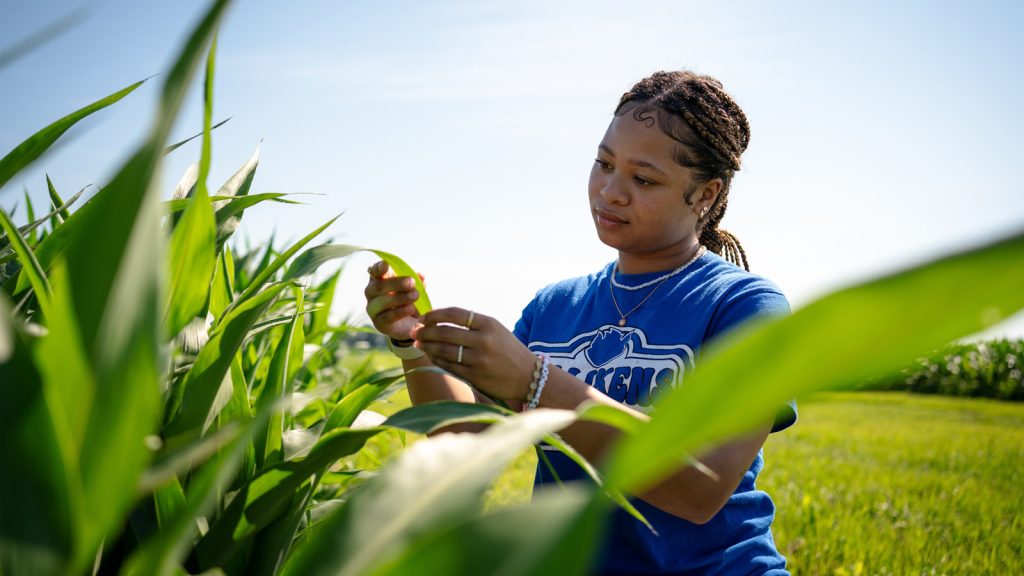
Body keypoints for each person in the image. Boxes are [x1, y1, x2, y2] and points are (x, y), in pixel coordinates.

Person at [364, 70, 796, 575]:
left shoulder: (746, 306)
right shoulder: (554, 307)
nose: (611, 191)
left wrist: (535, 381)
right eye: (604, 163)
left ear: (704, 194)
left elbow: (700, 486)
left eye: (643, 178)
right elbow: (465, 440)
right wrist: (411, 343)